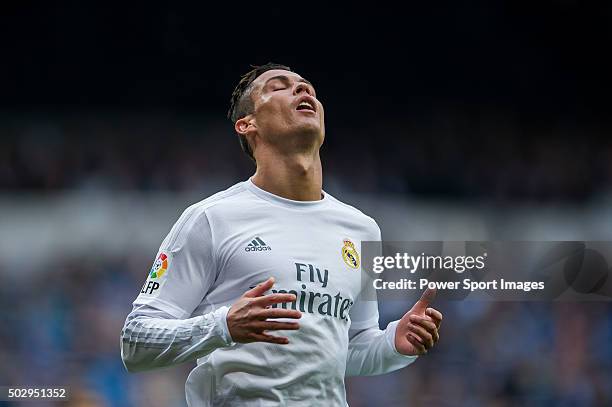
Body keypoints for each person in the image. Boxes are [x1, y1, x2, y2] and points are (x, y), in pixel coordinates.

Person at [120, 63, 443, 406]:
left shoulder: (361, 228)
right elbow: (136, 342)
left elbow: (348, 347)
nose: (303, 91)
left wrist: (395, 343)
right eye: (279, 86)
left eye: (308, 88)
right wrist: (223, 327)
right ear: (247, 125)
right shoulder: (211, 219)